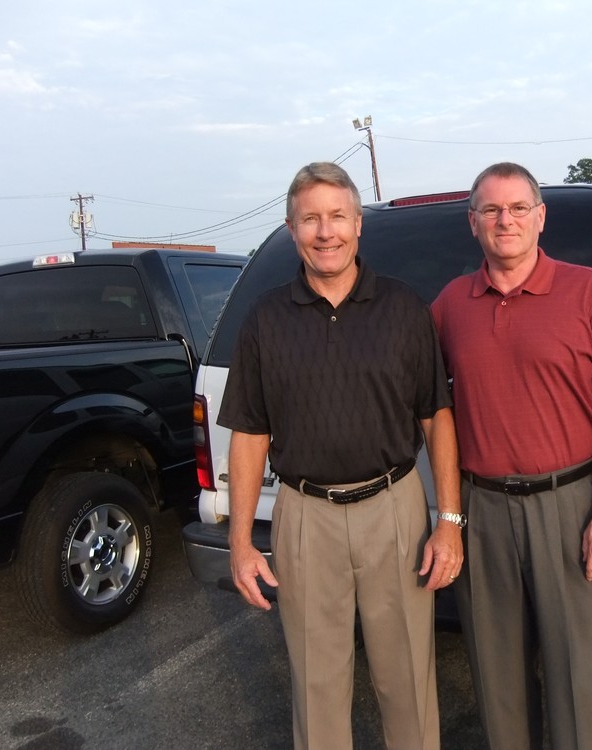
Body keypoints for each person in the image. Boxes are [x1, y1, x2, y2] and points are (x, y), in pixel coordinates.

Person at [220, 161, 463, 750]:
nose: (324, 232)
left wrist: (450, 522)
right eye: (310, 219)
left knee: (406, 680)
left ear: (358, 224)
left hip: (395, 510)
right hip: (305, 517)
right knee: (317, 685)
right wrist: (240, 542)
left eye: (336, 216)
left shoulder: (403, 309)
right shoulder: (265, 320)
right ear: (292, 229)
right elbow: (249, 434)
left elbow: (437, 417)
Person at [431, 162, 592, 750]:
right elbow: (429, 407)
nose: (506, 220)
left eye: (518, 208)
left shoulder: (589, 292)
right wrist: (448, 518)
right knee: (497, 677)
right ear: (473, 222)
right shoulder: (451, 305)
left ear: (540, 217)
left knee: (581, 678)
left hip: (568, 506)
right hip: (482, 511)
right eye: (491, 210)